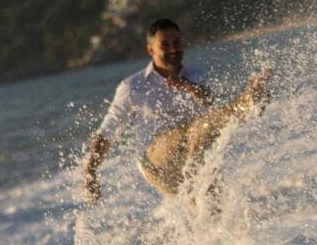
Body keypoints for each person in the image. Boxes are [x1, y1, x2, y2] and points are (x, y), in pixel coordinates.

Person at [84, 18, 271, 203]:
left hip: (193, 158)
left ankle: (246, 107)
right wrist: (90, 172)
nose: (173, 49)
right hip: (156, 163)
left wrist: (188, 86)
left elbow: (207, 99)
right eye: (165, 45)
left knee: (214, 212)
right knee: (196, 128)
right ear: (151, 49)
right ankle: (245, 106)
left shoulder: (196, 76)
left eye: (177, 43)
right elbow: (107, 132)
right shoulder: (132, 86)